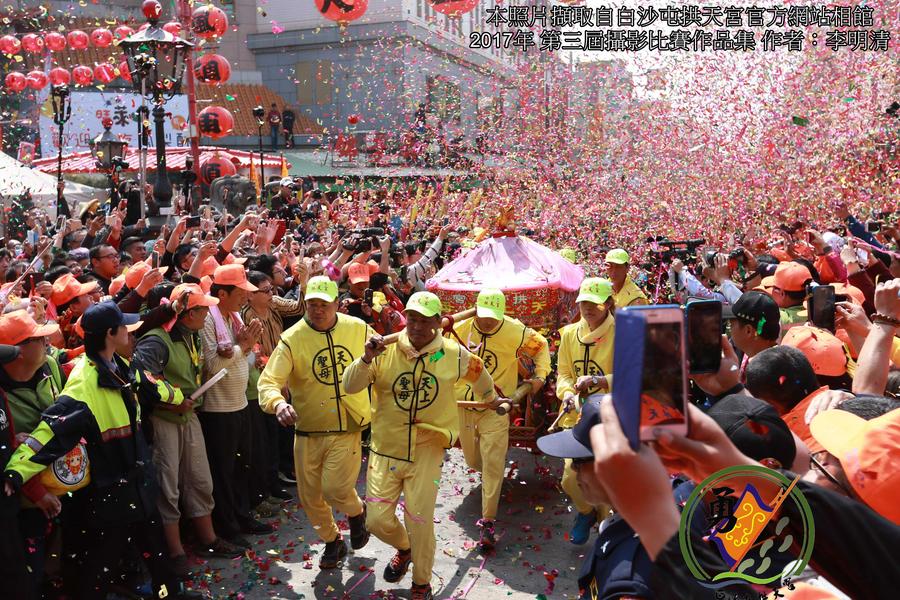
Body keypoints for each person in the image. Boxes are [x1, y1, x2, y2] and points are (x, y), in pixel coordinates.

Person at [3, 302, 202, 600]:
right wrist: (14, 474)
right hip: (110, 495)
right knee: (97, 567)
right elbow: (46, 436)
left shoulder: (123, 367)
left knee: (154, 548)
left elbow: (151, 387)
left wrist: (178, 398)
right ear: (111, 334)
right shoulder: (83, 387)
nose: (131, 332)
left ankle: (170, 593)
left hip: (138, 483)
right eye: (125, 327)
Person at [343, 291, 497, 600]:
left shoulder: (451, 354)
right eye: (411, 318)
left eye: (424, 321)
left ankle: (421, 582)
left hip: (428, 448)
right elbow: (350, 385)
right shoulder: (382, 349)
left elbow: (480, 377)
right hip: (386, 447)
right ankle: (405, 547)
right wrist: (365, 359)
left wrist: (491, 401)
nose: (415, 326)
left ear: (438, 324)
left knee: (420, 519)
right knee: (376, 520)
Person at [258, 276, 372, 569]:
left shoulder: (358, 329)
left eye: (324, 304)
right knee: (310, 497)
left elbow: (386, 360)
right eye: (312, 304)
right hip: (308, 427)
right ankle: (333, 541)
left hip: (347, 423)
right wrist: (278, 403)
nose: (317, 310)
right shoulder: (292, 338)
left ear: (337, 303)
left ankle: (357, 512)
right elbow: (268, 381)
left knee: (334, 489)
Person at [132, 284, 244, 579]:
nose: (208, 313)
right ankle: (176, 552)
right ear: (188, 313)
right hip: (164, 421)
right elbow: (144, 380)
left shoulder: (191, 335)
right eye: (203, 309)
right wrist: (173, 404)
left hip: (189, 417)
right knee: (168, 487)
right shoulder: (156, 341)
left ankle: (208, 539)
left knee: (199, 479)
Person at [452, 288, 550, 551]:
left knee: (494, 463)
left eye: (493, 317)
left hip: (497, 407)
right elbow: (439, 354)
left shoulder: (515, 330)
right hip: (465, 405)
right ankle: (489, 484)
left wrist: (538, 377)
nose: (488, 322)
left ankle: (488, 521)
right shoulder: (458, 328)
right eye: (484, 316)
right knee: (475, 460)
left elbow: (542, 348)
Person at [198, 265, 271, 548]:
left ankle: (243, 516)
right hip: (219, 410)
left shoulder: (235, 315)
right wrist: (243, 346)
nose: (245, 298)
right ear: (222, 293)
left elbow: (244, 354)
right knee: (224, 472)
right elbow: (213, 366)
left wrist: (249, 346)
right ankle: (227, 526)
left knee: (243, 466)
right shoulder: (208, 319)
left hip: (239, 403)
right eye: (240, 293)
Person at [0, 313, 62, 599]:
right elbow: (7, 456)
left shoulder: (50, 366)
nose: (47, 341)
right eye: (39, 338)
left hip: (63, 482)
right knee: (26, 568)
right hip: (23, 498)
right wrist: (36, 492)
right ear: (17, 351)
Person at [555, 277, 616, 544]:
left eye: (595, 304)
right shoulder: (569, 334)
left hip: (611, 417)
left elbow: (635, 373)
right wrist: (567, 393)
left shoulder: (623, 332)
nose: (588, 309)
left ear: (609, 304)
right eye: (583, 303)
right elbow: (564, 373)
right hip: (577, 417)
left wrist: (601, 381)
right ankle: (585, 511)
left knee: (605, 475)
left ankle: (607, 529)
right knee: (571, 478)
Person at [722, 290, 780, 380]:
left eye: (731, 325)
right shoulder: (750, 354)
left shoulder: (768, 374)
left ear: (748, 331)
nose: (729, 331)